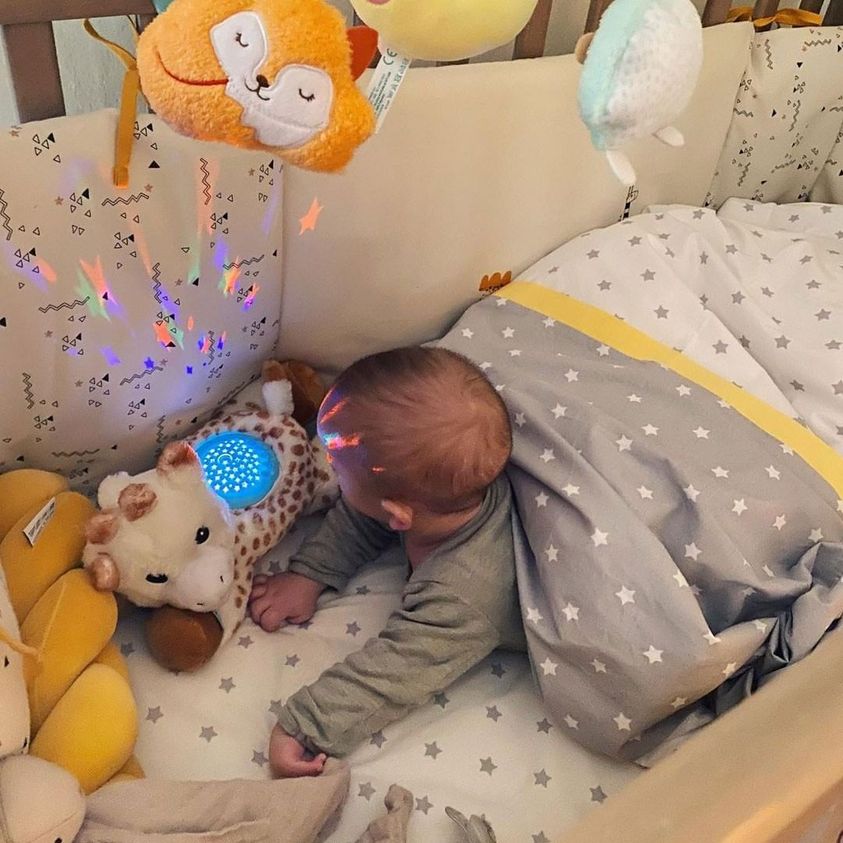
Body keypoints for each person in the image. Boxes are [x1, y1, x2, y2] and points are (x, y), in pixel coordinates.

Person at [248, 345, 525, 777]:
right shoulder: (439, 496)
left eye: (336, 467)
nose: (327, 465)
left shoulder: (461, 595)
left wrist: (304, 726)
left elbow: (395, 672)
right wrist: (311, 573)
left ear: (399, 515)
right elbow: (368, 515)